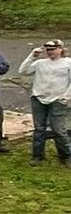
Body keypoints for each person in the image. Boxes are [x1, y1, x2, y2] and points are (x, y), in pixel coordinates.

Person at [20, 36, 71, 166]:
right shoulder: (40, 63)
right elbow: (23, 70)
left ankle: (65, 156)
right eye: (48, 49)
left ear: (60, 49)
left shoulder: (68, 63)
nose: (50, 52)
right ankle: (37, 156)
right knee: (39, 129)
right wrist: (32, 56)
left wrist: (66, 97)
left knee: (59, 130)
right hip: (38, 99)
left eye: (53, 49)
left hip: (58, 100)